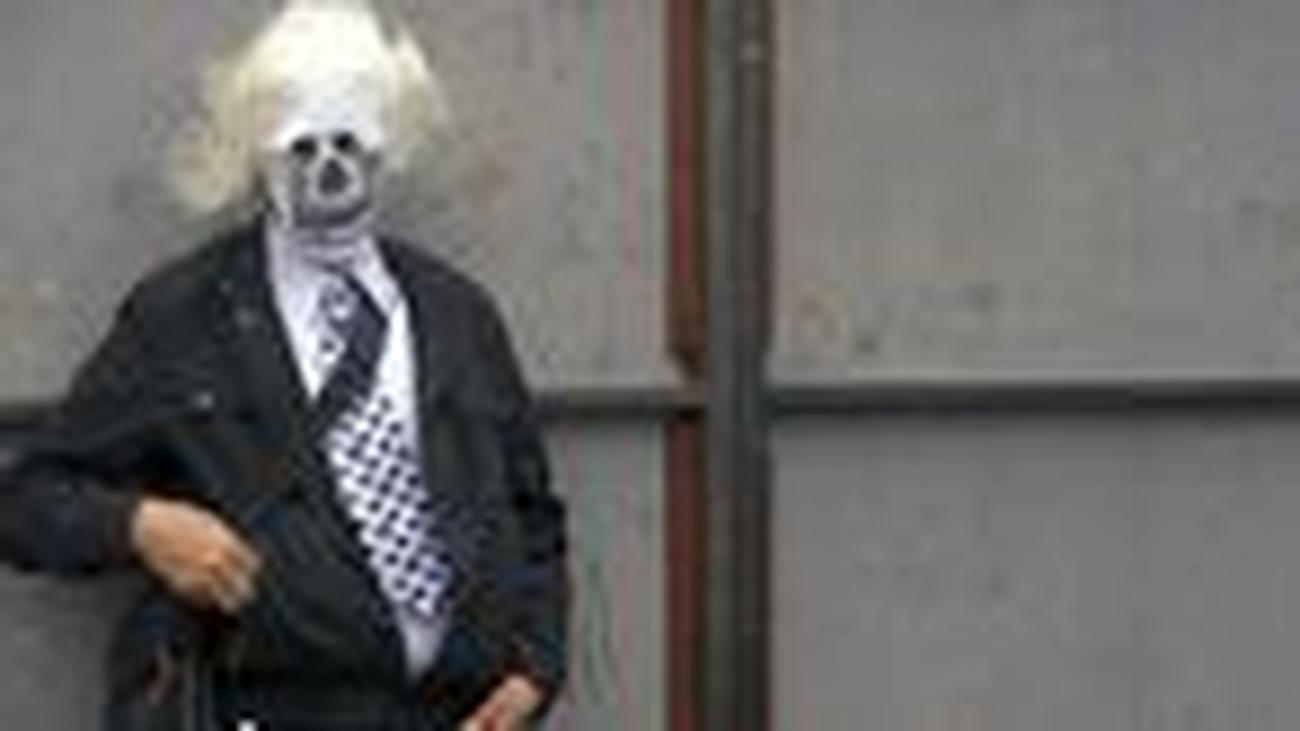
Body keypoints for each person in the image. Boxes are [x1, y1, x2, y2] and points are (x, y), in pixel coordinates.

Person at [0, 2, 568, 729]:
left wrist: (534, 668)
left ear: (385, 147)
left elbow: (532, 514)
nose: (331, 170)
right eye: (303, 149)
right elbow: (28, 502)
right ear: (257, 157)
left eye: (349, 143)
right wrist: (143, 525)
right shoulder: (184, 316)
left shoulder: (457, 313)